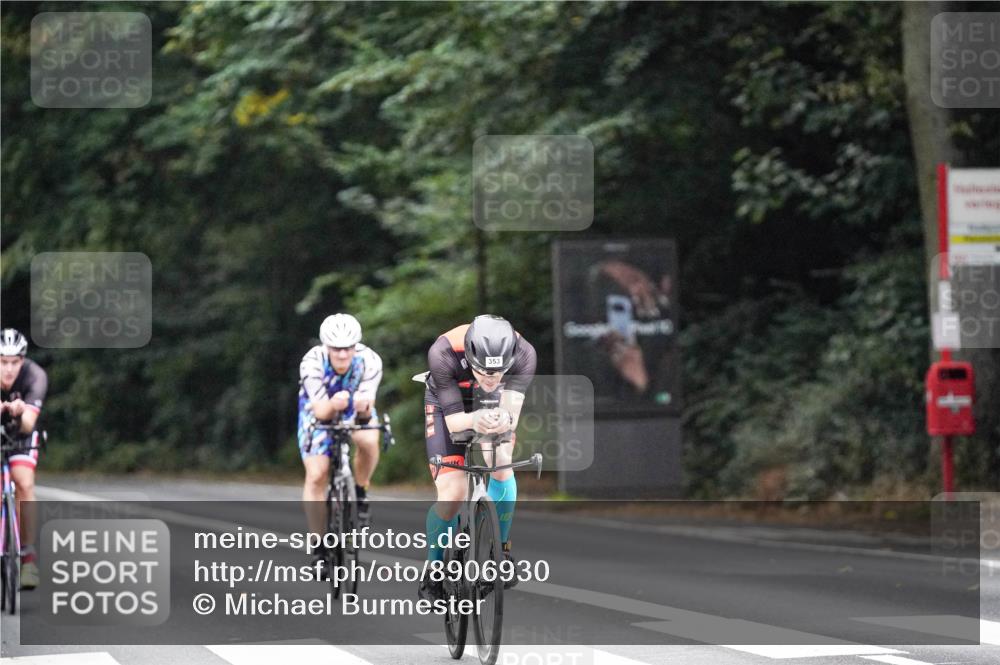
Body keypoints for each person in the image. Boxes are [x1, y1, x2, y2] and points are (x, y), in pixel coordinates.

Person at [418, 315, 536, 601]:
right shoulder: (443, 352)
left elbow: (511, 414)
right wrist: (476, 418)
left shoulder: (524, 354)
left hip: (492, 401)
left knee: (501, 460)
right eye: (482, 371)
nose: (490, 377)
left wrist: (501, 420)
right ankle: (433, 570)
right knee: (453, 492)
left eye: (497, 373)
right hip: (448, 403)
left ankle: (501, 554)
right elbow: (456, 423)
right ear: (470, 356)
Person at [297, 314, 383, 562]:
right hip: (318, 407)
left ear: (356, 346)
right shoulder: (312, 362)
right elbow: (321, 411)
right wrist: (333, 405)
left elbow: (367, 412)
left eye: (348, 348)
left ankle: (361, 490)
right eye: (336, 349)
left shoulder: (370, 361)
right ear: (326, 346)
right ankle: (319, 545)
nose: (343, 355)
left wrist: (363, 406)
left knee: (368, 440)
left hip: (354, 406)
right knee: (317, 474)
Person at [0, 328, 47, 590]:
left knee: (24, 482)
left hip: (20, 435)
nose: (8, 369)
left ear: (22, 361)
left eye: (14, 362)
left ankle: (27, 557)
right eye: (3, 362)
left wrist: (17, 412)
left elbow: (28, 424)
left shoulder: (34, 375)